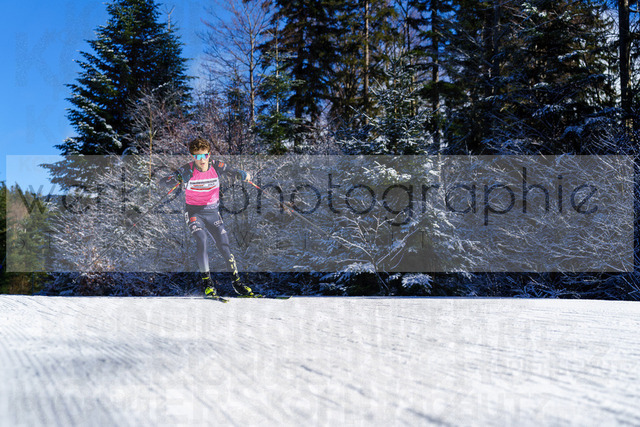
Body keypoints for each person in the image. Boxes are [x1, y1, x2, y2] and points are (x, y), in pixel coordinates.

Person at [162, 137, 253, 298]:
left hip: (213, 212)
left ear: (209, 154)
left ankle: (237, 284)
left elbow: (234, 171)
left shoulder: (216, 166)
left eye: (204, 155)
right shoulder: (187, 170)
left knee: (224, 246)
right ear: (192, 157)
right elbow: (164, 182)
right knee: (201, 239)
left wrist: (242, 174)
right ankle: (208, 285)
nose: (201, 159)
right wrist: (177, 179)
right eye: (197, 156)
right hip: (194, 213)